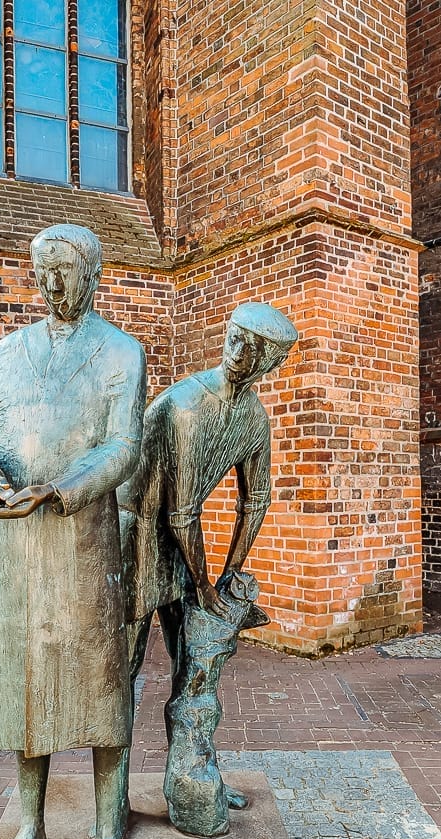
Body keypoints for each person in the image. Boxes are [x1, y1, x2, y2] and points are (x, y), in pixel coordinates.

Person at [0, 224, 145, 839]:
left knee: (100, 686)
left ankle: (106, 834)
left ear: (93, 274)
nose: (51, 284)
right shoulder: (8, 353)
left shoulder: (121, 352)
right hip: (15, 541)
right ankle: (30, 826)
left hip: (84, 538)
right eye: (42, 270)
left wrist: (64, 488)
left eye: (63, 270)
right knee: (24, 684)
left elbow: (125, 445)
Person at [118, 302, 298, 808]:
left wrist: (233, 570)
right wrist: (204, 586)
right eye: (234, 337)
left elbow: (257, 497)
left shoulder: (252, 418)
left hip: (180, 541)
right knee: (125, 672)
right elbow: (180, 513)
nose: (237, 351)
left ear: (271, 362)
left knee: (195, 663)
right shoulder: (190, 404)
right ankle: (113, 803)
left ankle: (194, 777)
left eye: (252, 346)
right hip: (140, 536)